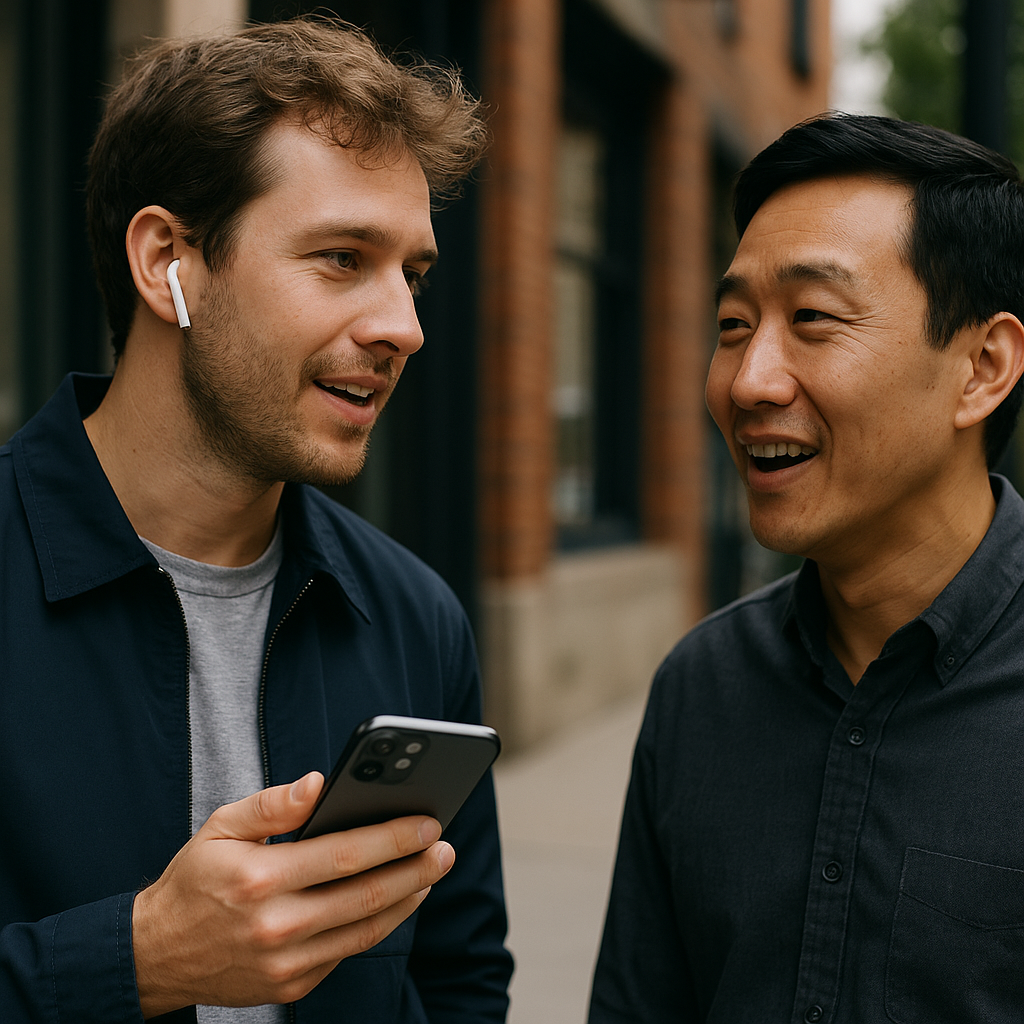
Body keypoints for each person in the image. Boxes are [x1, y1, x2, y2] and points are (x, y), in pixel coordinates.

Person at [0, 16, 512, 1024]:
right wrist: (136, 960)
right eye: (340, 258)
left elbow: (458, 977)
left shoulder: (416, 617)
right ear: (168, 264)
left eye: (411, 272)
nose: (401, 326)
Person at [589, 113, 1024, 1024]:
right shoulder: (701, 687)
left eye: (814, 318)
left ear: (984, 367)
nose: (750, 381)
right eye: (733, 325)